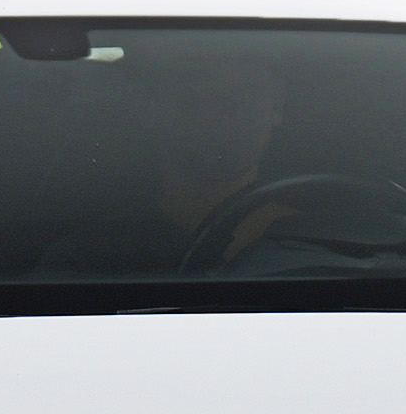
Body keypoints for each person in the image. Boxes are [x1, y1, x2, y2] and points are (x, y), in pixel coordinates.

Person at [36, 57, 287, 276]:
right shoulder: (88, 257)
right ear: (150, 110)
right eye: (199, 94)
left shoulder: (316, 234)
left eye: (246, 94)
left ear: (277, 111)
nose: (221, 112)